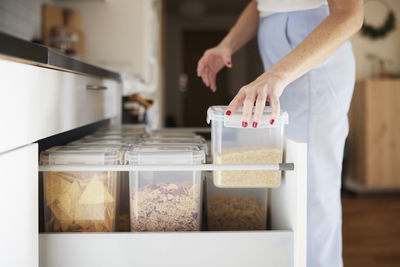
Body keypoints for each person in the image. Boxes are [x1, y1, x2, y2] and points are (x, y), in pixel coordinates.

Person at [197, 0, 363, 266]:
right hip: (279, 53)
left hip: (313, 56)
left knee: (315, 188)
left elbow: (350, 15)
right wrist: (227, 44)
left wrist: (277, 75)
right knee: (290, 185)